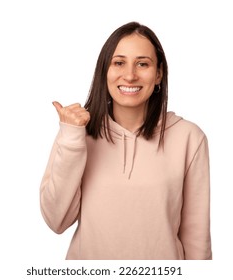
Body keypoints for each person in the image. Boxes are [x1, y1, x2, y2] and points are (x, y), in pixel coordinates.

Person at [40, 21, 212, 260]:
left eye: (142, 64)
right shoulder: (76, 134)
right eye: (119, 63)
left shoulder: (189, 138)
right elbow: (56, 221)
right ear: (105, 71)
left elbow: (196, 237)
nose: (130, 75)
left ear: (159, 73)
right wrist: (71, 140)